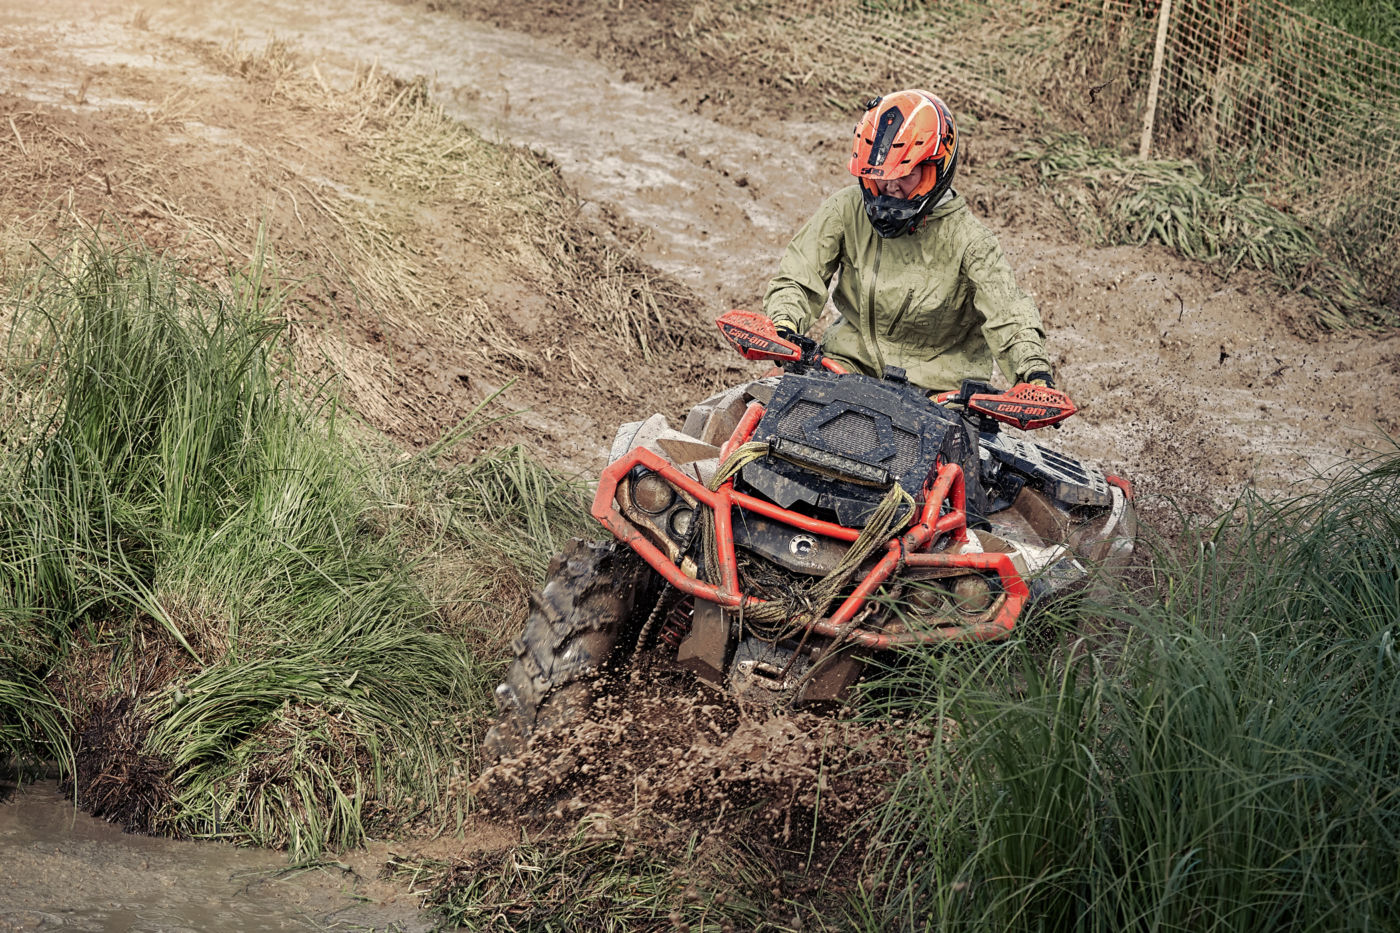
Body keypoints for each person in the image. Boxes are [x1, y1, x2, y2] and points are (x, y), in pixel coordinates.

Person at [763, 89, 1055, 396]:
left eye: (905, 174)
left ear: (936, 169)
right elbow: (798, 276)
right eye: (880, 174)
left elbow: (1009, 314)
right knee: (762, 401)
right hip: (846, 369)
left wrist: (1034, 374)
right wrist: (783, 325)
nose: (890, 187)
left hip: (937, 394)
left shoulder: (971, 241)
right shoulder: (845, 209)